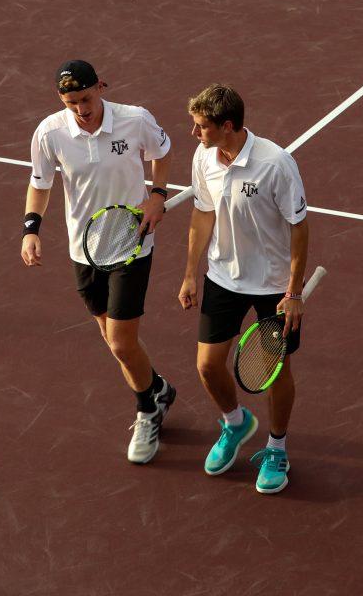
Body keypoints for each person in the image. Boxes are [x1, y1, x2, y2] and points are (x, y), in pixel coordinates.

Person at [21, 60, 175, 464]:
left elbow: (162, 152)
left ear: (101, 87)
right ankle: (158, 388)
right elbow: (40, 184)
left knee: (123, 342)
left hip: (130, 243)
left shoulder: (134, 120)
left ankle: (147, 410)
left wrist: (157, 196)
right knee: (115, 343)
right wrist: (31, 230)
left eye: (86, 99)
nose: (81, 110)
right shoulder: (50, 132)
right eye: (71, 103)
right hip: (84, 249)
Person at [178, 84, 309, 494]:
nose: (194, 133)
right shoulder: (204, 156)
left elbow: (299, 227)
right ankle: (235, 424)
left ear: (227, 125)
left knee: (274, 372)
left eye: (201, 126)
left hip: (272, 286)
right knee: (207, 365)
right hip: (223, 278)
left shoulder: (276, 164)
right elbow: (202, 214)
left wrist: (294, 292)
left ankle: (277, 447)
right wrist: (189, 273)